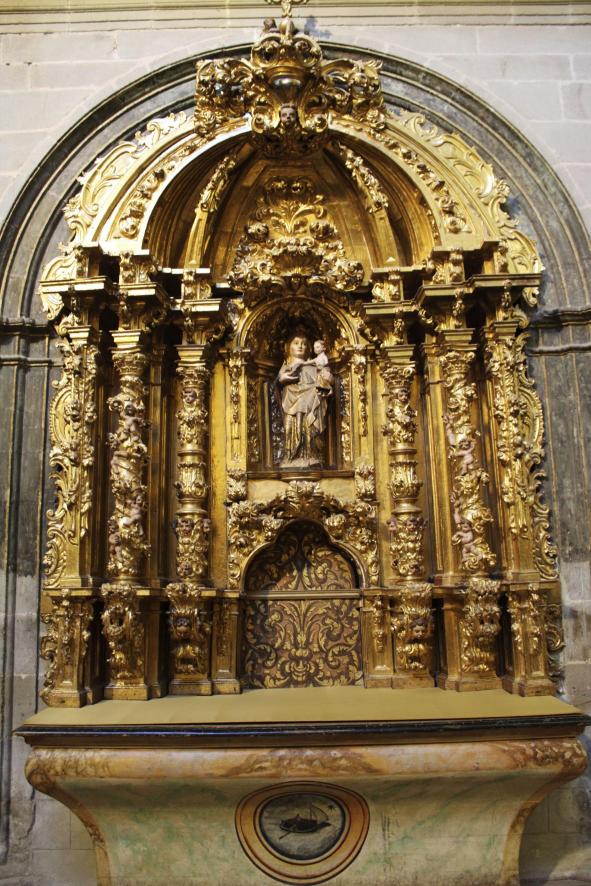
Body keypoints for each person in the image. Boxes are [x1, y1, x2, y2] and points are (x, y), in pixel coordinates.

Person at [276, 333, 333, 467]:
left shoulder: (316, 365)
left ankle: (311, 456)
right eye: (296, 343)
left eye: (304, 344)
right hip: (291, 403)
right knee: (290, 429)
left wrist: (328, 378)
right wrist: (282, 379)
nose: (300, 346)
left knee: (310, 429)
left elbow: (327, 381)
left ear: (309, 348)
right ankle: (291, 457)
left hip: (311, 404)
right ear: (288, 347)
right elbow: (276, 385)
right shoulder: (286, 366)